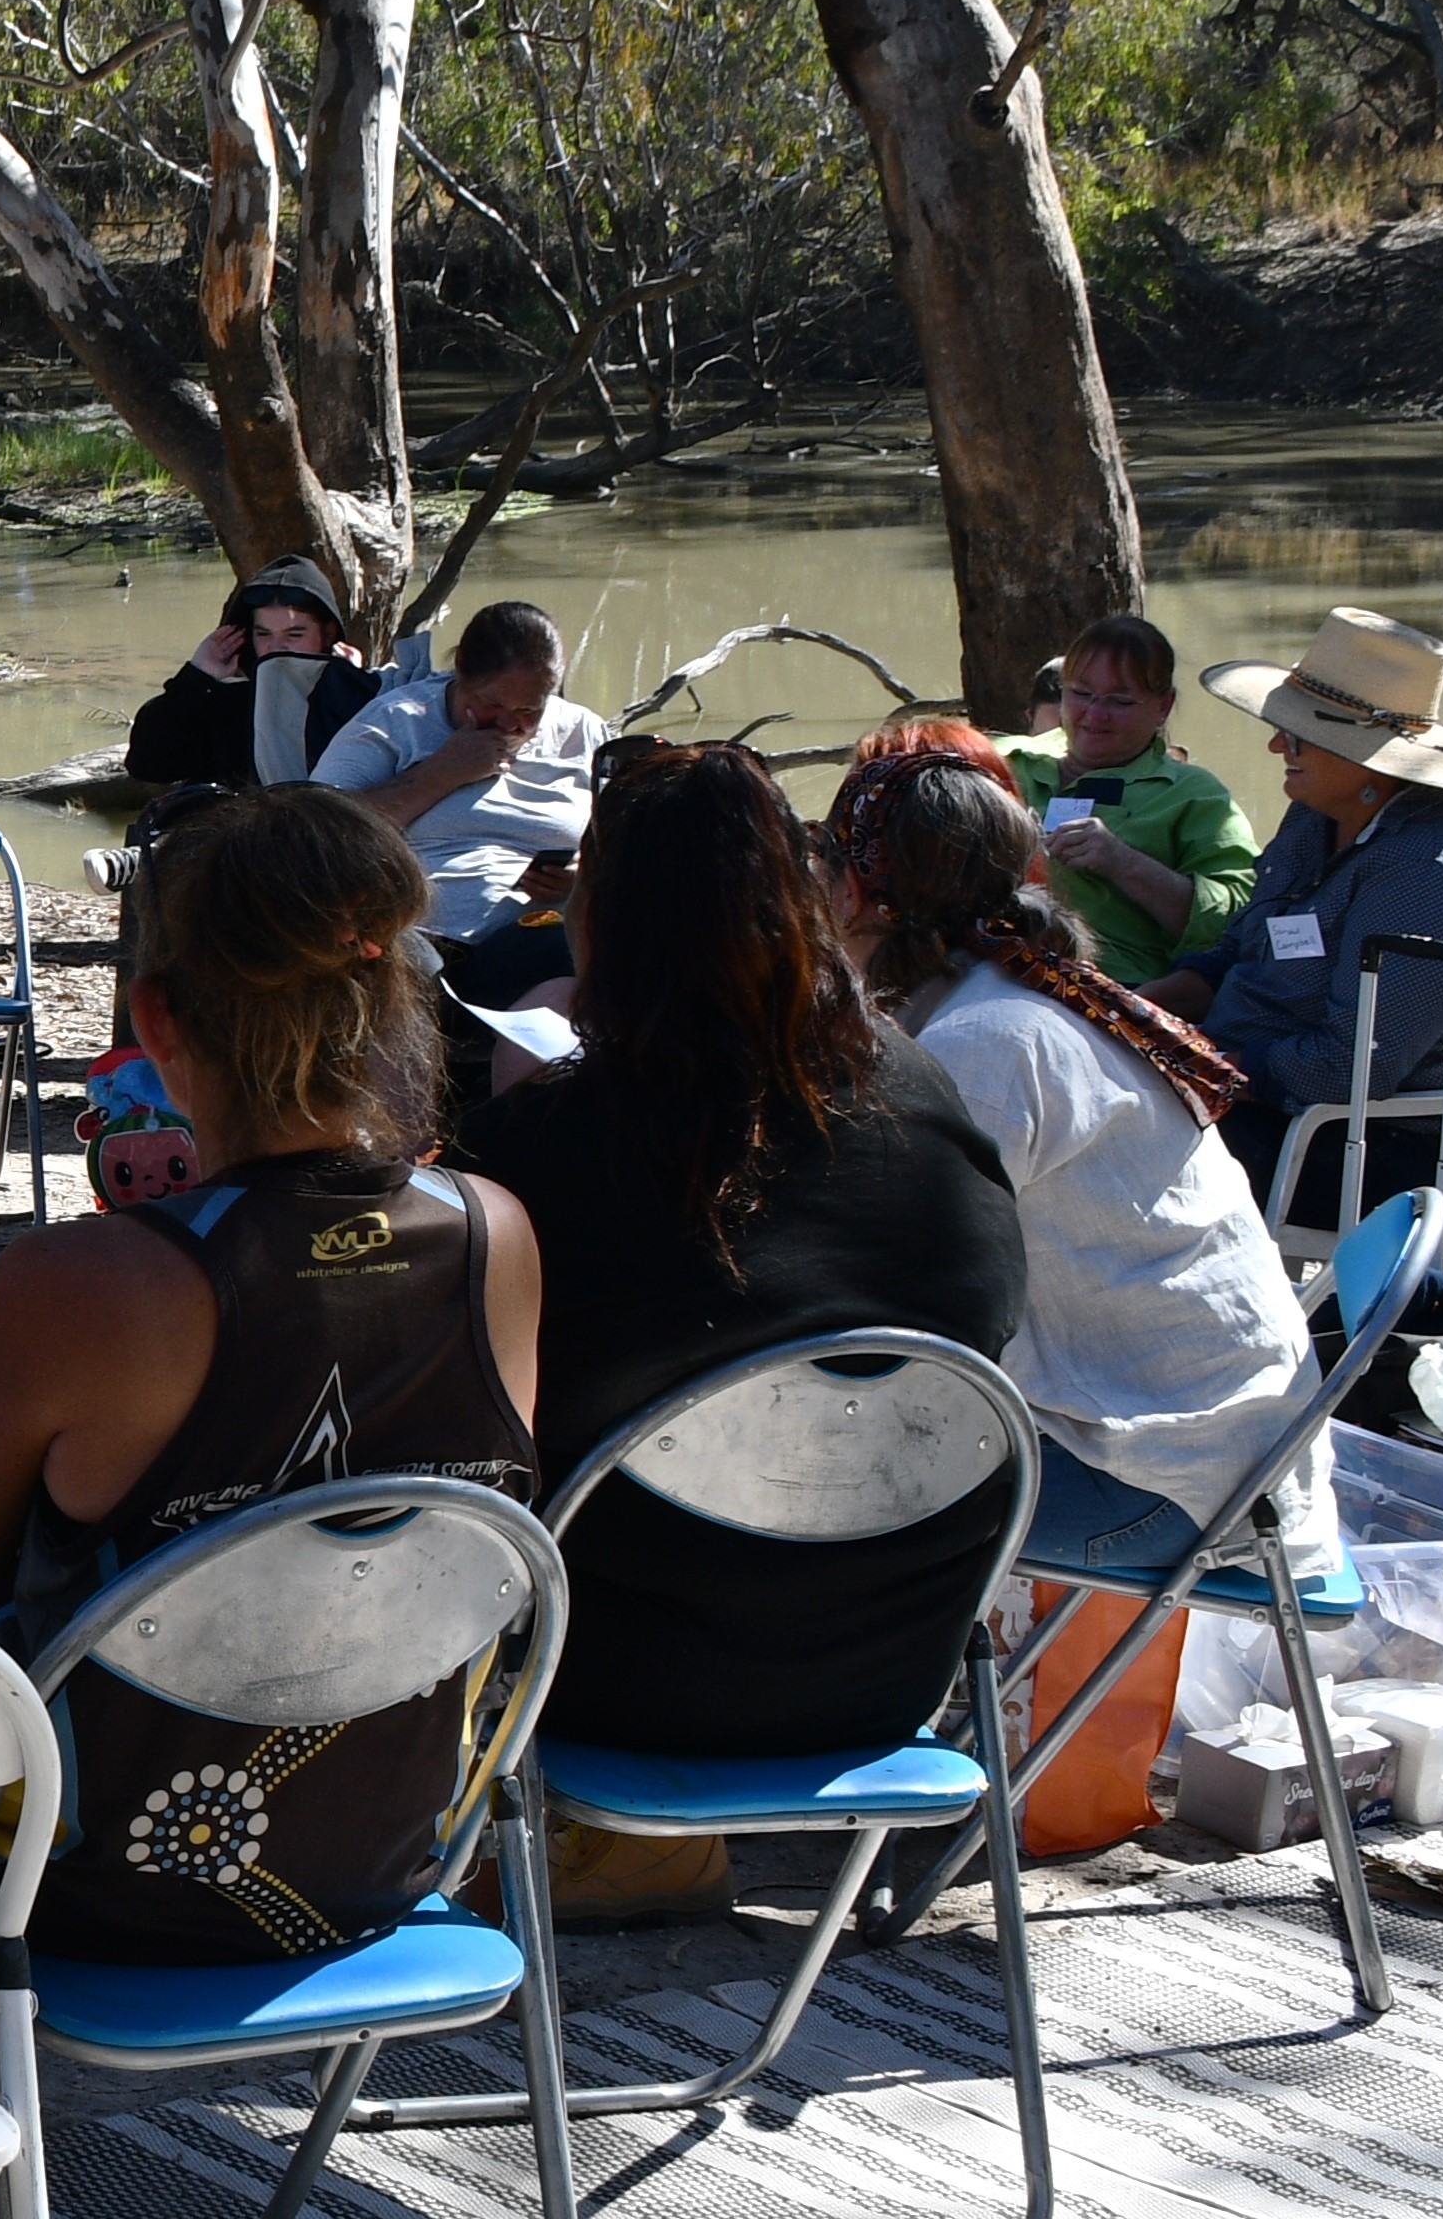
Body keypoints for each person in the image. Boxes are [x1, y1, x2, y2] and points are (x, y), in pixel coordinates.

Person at [0, 789, 542, 1968]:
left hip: (76, 1888)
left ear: (154, 1018)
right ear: (390, 1004)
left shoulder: (82, 1283)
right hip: (388, 1865)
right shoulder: (497, 1240)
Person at [446, 745, 1027, 1907]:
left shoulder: (557, 1148)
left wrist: (508, 1119)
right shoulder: (920, 1097)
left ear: (597, 924)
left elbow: (470, 1414)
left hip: (615, 1680)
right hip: (888, 1674)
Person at [827, 749, 1328, 1568]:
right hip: (1231, 1453)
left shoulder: (981, 1044)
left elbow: (900, 1300)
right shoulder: (1014, 993)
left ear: (850, 892)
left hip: (1165, 1482)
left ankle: (886, 1693)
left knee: (790, 1498)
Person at [1148, 609, 1443, 1222]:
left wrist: (1197, 1063)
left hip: (1387, 1147)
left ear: (1369, 761)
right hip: (1274, 1100)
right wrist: (1138, 1010)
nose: (1278, 745)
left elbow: (1348, 1069)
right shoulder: (1319, 812)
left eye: (1298, 733)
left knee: (1100, 1153)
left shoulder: (1428, 877)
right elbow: (1240, 951)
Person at [310, 600, 598, 997]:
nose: (509, 723)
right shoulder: (397, 721)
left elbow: (630, 839)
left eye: (530, 710)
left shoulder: (585, 733)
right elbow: (312, 834)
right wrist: (441, 773)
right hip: (423, 938)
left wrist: (588, 871)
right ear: (461, 668)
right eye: (492, 704)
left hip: (550, 929)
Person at [999, 614, 1260, 992]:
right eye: (1081, 694)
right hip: (984, 970)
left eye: (1120, 700)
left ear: (1163, 707)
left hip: (1113, 992)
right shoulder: (1003, 759)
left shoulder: (1194, 795)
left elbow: (1238, 925)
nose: (1095, 713)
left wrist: (1123, 863)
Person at [115, 557, 373, 798]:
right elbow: (147, 766)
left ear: (328, 635)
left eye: (294, 635)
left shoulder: (362, 693)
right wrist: (196, 678)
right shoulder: (225, 701)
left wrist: (347, 685)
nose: (276, 647)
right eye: (263, 634)